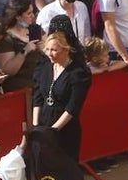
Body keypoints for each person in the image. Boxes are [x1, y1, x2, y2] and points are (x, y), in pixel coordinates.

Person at [33, 30, 91, 162]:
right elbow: (38, 98)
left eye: (54, 50)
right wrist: (36, 127)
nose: (49, 54)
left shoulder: (77, 73)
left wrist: (53, 131)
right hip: (43, 126)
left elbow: (73, 107)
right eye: (47, 49)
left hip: (65, 130)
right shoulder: (45, 67)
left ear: (66, 50)